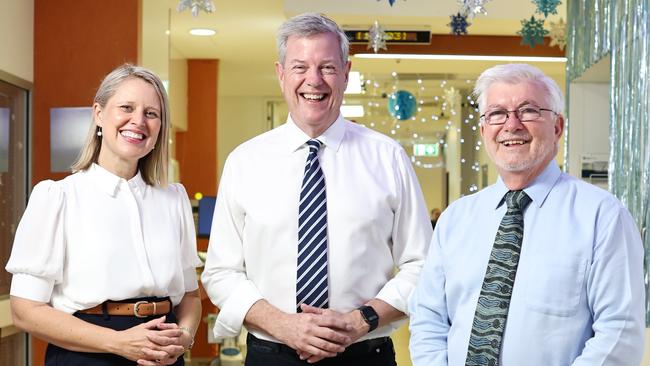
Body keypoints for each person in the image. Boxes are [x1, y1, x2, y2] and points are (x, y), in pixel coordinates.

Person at [201, 12, 431, 366]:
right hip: (271, 355)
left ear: (346, 73)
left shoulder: (388, 158)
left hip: (365, 354)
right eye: (300, 67)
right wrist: (283, 325)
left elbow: (423, 265)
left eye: (327, 67)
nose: (314, 80)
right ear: (280, 74)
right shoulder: (244, 162)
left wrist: (359, 321)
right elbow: (221, 273)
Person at [409, 63, 645, 365]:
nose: (512, 125)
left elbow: (619, 333)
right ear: (483, 130)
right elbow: (429, 319)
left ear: (557, 127)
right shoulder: (455, 220)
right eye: (497, 114)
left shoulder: (603, 217)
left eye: (528, 110)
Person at [6, 64, 203, 366]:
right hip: (88, 354)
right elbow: (24, 309)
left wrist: (184, 338)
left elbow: (190, 296)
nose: (138, 121)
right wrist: (119, 343)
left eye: (151, 113)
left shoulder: (173, 199)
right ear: (98, 114)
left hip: (162, 354)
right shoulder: (58, 197)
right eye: (127, 107)